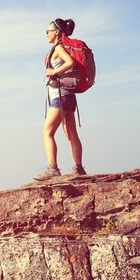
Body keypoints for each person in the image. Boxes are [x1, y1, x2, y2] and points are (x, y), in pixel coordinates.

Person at [34, 18, 86, 181]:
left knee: (47, 132)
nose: (46, 34)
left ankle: (53, 169)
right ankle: (78, 168)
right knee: (70, 133)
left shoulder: (59, 48)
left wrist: (53, 72)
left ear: (56, 32)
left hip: (60, 96)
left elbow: (70, 63)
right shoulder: (59, 47)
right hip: (67, 95)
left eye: (48, 31)